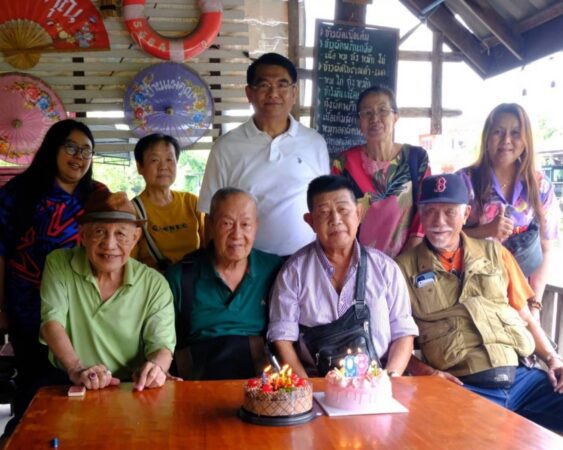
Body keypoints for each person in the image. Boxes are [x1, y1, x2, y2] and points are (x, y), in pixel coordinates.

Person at [395, 174, 563, 431]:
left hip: (522, 381)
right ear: (420, 215)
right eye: (429, 212)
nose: (439, 222)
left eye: (449, 212)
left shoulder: (496, 253)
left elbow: (525, 317)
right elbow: (394, 340)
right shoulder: (402, 269)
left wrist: (553, 360)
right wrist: (428, 374)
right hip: (463, 386)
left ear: (466, 214)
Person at [0, 119, 106, 437]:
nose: (79, 157)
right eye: (71, 147)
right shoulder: (18, 193)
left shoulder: (98, 195)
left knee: (80, 379)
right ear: (52, 149)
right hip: (28, 305)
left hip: (82, 307)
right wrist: (1, 306)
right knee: (36, 384)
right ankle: (30, 437)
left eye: (86, 151)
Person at [268, 175, 418, 378]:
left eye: (343, 210)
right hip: (316, 381)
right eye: (324, 213)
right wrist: (306, 387)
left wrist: (389, 381)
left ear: (358, 213)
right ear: (311, 222)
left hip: (379, 381)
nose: (335, 220)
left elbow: (404, 333)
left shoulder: (386, 269)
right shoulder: (293, 273)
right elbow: (282, 337)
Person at [40, 190, 176, 391]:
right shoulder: (59, 264)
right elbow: (51, 322)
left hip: (131, 386)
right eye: (99, 232)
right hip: (70, 379)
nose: (110, 244)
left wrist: (156, 369)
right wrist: (77, 369)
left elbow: (162, 345)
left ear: (135, 237)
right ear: (83, 235)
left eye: (121, 234)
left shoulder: (154, 284)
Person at [197, 52, 330, 257]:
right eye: (264, 85)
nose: (273, 93)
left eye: (282, 85)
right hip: (246, 266)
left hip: (304, 262)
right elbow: (210, 215)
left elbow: (325, 205)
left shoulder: (315, 143)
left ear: (294, 92)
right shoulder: (226, 148)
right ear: (249, 93)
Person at [166, 188, 282, 380]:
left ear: (256, 227)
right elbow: (162, 339)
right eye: (227, 223)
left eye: (245, 224)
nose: (237, 234)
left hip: (260, 381)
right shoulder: (181, 276)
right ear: (210, 225)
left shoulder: (275, 270)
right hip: (196, 379)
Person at [457, 103, 559, 317]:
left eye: (515, 133)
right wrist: (485, 231)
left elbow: (546, 248)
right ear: (487, 137)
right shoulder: (464, 181)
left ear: (526, 139)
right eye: (498, 132)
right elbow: (443, 237)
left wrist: (535, 304)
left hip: (522, 301)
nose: (506, 140)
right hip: (473, 295)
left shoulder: (540, 186)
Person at [332, 85, 431, 258]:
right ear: (359, 122)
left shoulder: (416, 158)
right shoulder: (344, 163)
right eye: (367, 113)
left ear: (395, 116)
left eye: (383, 110)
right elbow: (337, 213)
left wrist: (405, 260)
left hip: (407, 259)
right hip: (358, 260)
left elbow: (426, 208)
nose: (375, 118)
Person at [132, 133, 205, 271]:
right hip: (155, 282)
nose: (163, 167)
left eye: (169, 159)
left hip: (194, 280)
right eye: (154, 160)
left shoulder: (192, 202)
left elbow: (208, 249)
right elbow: (129, 264)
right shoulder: (133, 210)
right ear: (140, 167)